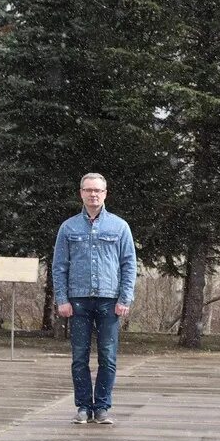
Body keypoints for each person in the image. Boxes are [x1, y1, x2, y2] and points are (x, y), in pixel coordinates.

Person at [52, 173, 137, 425]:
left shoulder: (119, 227)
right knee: (79, 357)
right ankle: (82, 407)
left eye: (98, 191)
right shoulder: (68, 228)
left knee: (108, 357)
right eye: (88, 190)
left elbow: (129, 264)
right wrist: (62, 299)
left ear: (105, 194)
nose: (93, 195)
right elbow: (59, 266)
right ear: (81, 193)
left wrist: (125, 298)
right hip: (77, 300)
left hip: (109, 301)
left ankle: (101, 408)